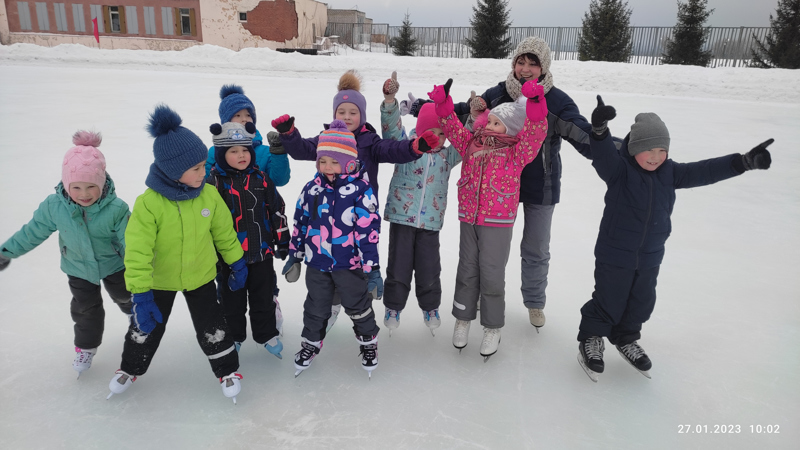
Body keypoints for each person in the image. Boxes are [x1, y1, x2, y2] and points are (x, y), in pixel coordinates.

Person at [576, 96, 774, 381]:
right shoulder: (619, 171)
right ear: (633, 150)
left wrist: (742, 163)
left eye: (661, 149)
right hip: (615, 251)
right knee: (610, 298)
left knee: (641, 301)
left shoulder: (670, 173)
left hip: (651, 254)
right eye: (648, 150)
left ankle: (626, 337)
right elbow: (604, 155)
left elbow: (705, 171)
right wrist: (599, 131)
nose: (656, 156)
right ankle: (592, 337)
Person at [404, 37, 594, 330]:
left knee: (536, 248)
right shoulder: (498, 94)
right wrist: (426, 106)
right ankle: (477, 296)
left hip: (538, 185)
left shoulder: (555, 100)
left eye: (533, 63)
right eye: (521, 62)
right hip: (495, 185)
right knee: (485, 250)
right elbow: (464, 112)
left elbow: (580, 131)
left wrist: (607, 144)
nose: (526, 69)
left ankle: (534, 302)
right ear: (514, 63)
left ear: (543, 67)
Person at [272, 70, 438, 328]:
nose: (347, 117)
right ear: (334, 113)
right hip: (328, 217)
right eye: (342, 112)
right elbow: (303, 149)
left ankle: (359, 307)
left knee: (358, 263)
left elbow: (393, 149)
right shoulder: (328, 139)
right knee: (331, 261)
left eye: (353, 112)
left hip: (360, 216)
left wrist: (414, 147)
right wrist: (289, 134)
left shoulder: (369, 141)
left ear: (361, 115)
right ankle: (333, 303)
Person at [108, 105, 248, 403]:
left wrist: (237, 261)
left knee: (213, 325)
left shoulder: (208, 194)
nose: (205, 171)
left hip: (201, 276)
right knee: (146, 326)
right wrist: (141, 292)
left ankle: (227, 370)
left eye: (204, 165)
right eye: (196, 168)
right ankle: (130, 368)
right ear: (173, 171)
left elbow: (223, 232)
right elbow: (138, 250)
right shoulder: (149, 204)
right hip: (160, 280)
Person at [283, 120, 433, 378]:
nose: (327, 167)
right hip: (317, 263)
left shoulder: (361, 191)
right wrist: (295, 255)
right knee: (315, 307)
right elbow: (301, 223)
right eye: (323, 161)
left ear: (348, 161)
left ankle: (368, 343)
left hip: (349, 265)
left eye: (334, 161)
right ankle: (310, 343)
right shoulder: (311, 189)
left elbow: (368, 234)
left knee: (359, 306)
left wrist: (372, 269)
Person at [427, 78, 549, 360]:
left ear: (511, 128)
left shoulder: (517, 152)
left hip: (498, 221)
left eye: (497, 123)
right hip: (469, 216)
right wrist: (444, 104)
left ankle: (492, 326)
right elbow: (452, 127)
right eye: (489, 120)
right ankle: (462, 318)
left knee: (492, 273)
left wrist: (535, 104)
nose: (489, 125)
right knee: (467, 269)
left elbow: (536, 132)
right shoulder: (472, 142)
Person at [0, 131, 131, 377]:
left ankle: (134, 314)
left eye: (91, 186)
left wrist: (142, 268)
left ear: (101, 183)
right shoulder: (54, 206)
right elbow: (33, 232)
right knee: (85, 310)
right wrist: (6, 251)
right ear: (66, 184)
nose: (84, 194)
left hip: (114, 264)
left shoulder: (116, 208)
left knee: (125, 295)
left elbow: (130, 242)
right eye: (76, 187)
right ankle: (86, 347)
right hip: (78, 269)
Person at [379, 71, 462, 336]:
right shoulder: (407, 145)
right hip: (402, 219)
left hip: (430, 222)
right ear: (422, 129)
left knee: (429, 268)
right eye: (433, 131)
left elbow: (466, 140)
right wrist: (390, 101)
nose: (439, 137)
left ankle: (430, 307)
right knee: (398, 266)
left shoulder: (448, 156)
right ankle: (393, 307)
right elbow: (391, 130)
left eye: (443, 132)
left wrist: (476, 117)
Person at [206, 84, 290, 336]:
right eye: (237, 116)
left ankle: (269, 305)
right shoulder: (215, 151)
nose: (244, 120)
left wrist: (278, 153)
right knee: (230, 285)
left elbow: (279, 180)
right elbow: (206, 185)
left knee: (264, 282)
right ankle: (232, 324)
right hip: (229, 237)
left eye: (248, 116)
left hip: (259, 233)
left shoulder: (262, 151)